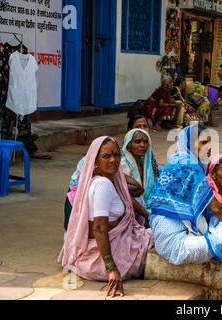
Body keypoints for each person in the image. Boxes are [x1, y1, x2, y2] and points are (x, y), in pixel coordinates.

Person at [149, 125, 222, 266]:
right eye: (203, 142)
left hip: (192, 228)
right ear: (188, 144)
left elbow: (208, 205)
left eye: (209, 142)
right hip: (177, 244)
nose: (208, 147)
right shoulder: (190, 167)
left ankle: (219, 233)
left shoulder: (177, 164)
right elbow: (216, 210)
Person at [58, 136, 154, 297]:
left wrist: (144, 214)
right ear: (95, 162)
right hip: (100, 264)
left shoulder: (99, 180)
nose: (113, 160)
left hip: (89, 260)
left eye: (117, 155)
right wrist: (112, 269)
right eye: (106, 156)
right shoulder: (103, 185)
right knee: (162, 233)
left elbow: (132, 194)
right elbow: (98, 227)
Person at [121, 129, 155, 228]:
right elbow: (125, 195)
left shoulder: (145, 165)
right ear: (129, 145)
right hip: (132, 210)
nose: (142, 145)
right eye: (137, 141)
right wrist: (145, 213)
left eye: (145, 141)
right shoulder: (123, 164)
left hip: (146, 207)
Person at [127, 115, 160, 179]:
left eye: (145, 126)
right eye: (138, 126)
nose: (142, 129)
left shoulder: (147, 150)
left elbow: (155, 173)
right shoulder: (123, 154)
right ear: (130, 130)